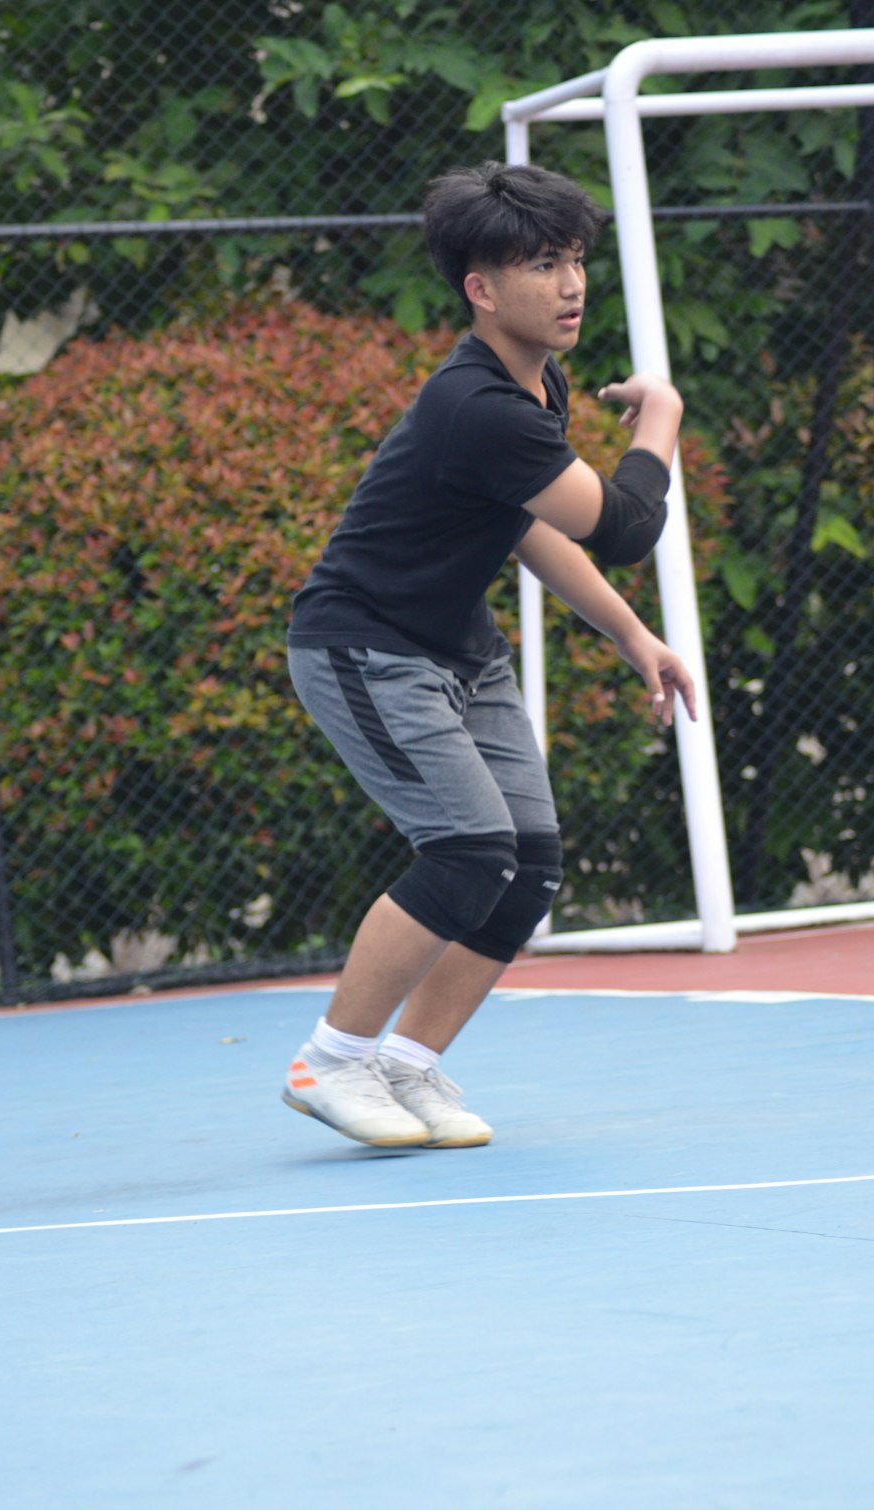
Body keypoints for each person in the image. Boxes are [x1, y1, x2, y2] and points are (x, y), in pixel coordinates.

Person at [282, 160, 697, 1150]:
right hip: (365, 644)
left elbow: (523, 526)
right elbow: (629, 523)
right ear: (480, 288)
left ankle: (408, 1064)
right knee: (468, 848)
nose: (570, 284)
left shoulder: (535, 383)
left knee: (528, 863)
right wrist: (663, 416)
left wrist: (633, 634)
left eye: (574, 260)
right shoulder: (478, 404)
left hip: (457, 647)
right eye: (542, 264)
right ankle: (329, 1059)